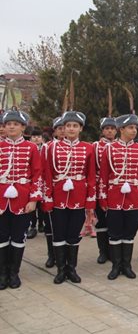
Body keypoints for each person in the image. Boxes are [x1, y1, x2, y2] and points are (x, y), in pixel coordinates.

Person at [43, 110, 96, 284]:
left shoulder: (88, 148)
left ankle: (71, 268)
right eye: (68, 126)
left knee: (73, 234)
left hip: (79, 196)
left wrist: (90, 200)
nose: (71, 129)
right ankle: (60, 269)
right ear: (63, 129)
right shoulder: (51, 148)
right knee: (59, 234)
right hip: (58, 197)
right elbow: (47, 174)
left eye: (75, 126)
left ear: (80, 128)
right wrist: (48, 198)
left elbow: (91, 175)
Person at [99, 112, 138, 280]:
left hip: (134, 196)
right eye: (130, 127)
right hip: (114, 196)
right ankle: (115, 266)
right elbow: (104, 176)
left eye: (135, 127)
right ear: (121, 129)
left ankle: (126, 265)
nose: (134, 130)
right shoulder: (109, 148)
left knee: (129, 232)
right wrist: (103, 197)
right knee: (114, 232)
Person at [0, 109, 43, 289]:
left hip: (22, 200)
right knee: (2, 237)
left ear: (23, 127)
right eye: (8, 124)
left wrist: (33, 199)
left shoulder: (31, 147)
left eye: (15, 124)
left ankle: (14, 272)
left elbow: (37, 174)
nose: (11, 126)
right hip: (1, 199)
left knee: (18, 237)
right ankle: (2, 273)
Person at [39, 116, 65, 269]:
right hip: (50, 192)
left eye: (64, 127)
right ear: (54, 131)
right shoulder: (48, 147)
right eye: (60, 128)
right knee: (50, 226)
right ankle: (52, 255)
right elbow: (43, 172)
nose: (63, 131)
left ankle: (63, 258)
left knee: (62, 227)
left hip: (67, 194)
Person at [92, 115, 117, 264]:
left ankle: (113, 251)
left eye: (112, 129)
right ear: (102, 131)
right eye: (107, 129)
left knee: (113, 221)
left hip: (115, 188)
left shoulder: (119, 146)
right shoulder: (96, 146)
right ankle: (103, 251)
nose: (110, 131)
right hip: (99, 187)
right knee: (101, 221)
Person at [25, 127, 44, 239]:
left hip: (43, 182)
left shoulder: (45, 149)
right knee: (32, 205)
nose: (36, 138)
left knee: (41, 206)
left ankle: (41, 224)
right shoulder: (28, 149)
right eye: (34, 136)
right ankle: (33, 226)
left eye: (38, 136)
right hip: (32, 181)